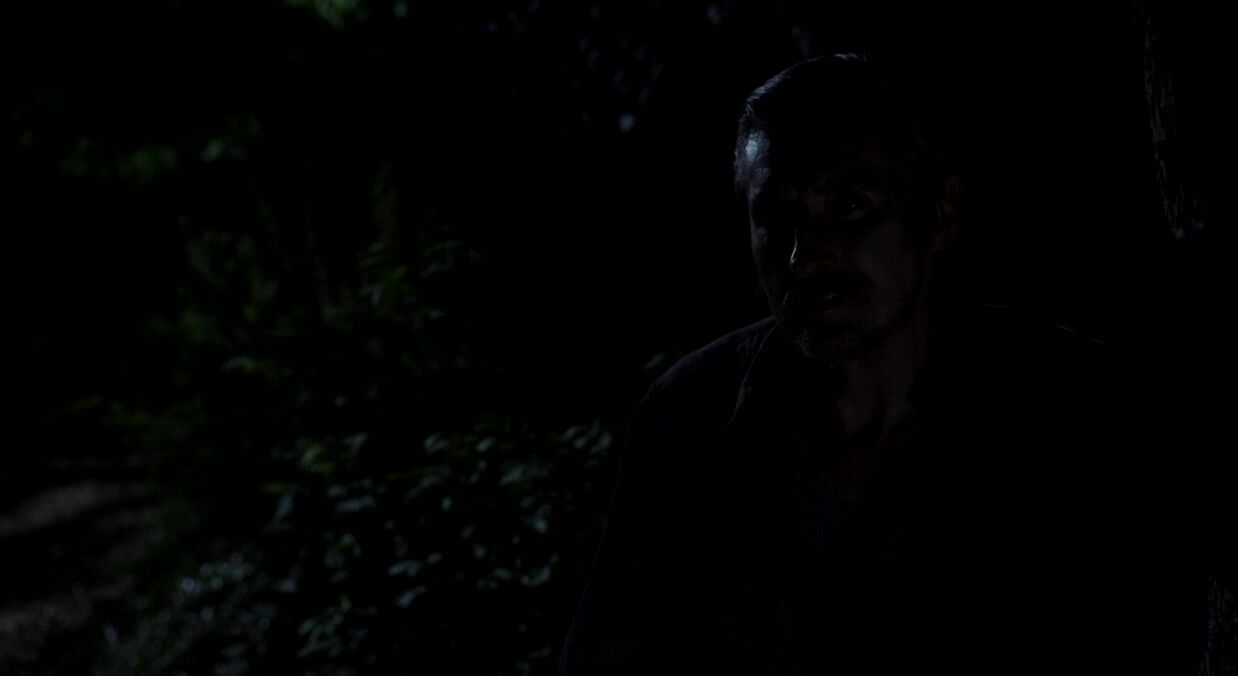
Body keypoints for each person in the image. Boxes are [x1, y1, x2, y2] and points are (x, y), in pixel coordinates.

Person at [561, 54, 1204, 675]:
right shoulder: (688, 419)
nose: (805, 257)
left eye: (850, 208)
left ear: (939, 214)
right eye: (777, 218)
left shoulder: (1072, 409)